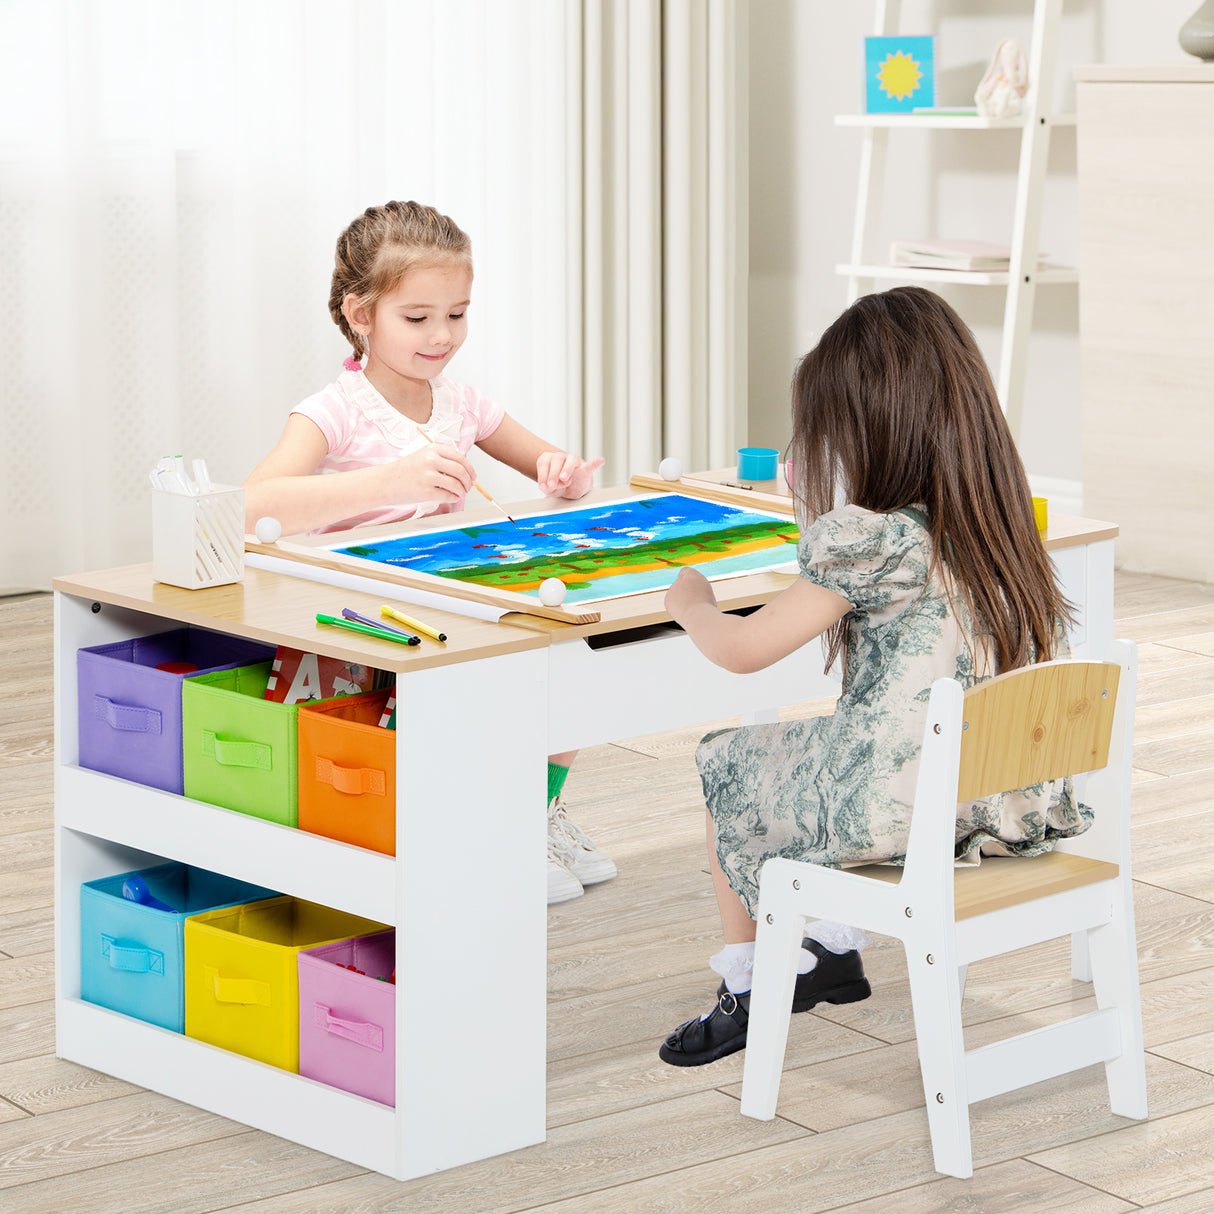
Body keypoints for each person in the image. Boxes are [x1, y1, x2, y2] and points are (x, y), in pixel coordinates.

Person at [657, 285, 1082, 1066]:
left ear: (874, 428)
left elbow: (744, 652)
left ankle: (753, 985)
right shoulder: (999, 529)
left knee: (728, 758)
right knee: (805, 753)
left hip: (904, 810)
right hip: (996, 801)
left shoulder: (875, 540)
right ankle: (830, 953)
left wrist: (693, 605)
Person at [243, 199, 613, 905]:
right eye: (417, 318)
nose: (442, 335)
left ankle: (528, 817)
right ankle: (495, 835)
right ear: (361, 315)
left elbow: (544, 460)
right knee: (492, 697)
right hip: (366, 619)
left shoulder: (463, 403)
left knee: (570, 666)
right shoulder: (334, 411)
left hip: (448, 600)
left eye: (458, 313)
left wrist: (559, 473)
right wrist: (388, 482)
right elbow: (251, 506)